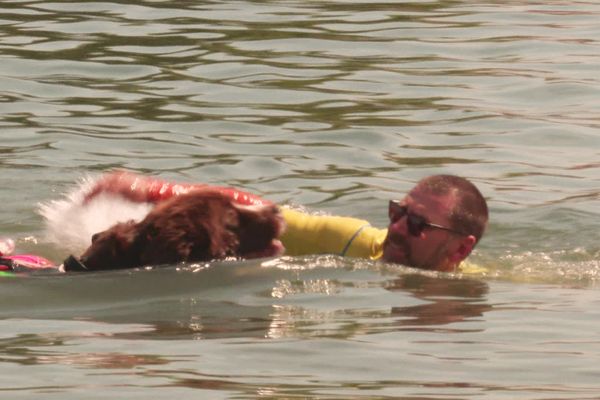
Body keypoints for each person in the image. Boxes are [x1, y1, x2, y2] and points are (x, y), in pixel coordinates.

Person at [84, 171, 488, 272]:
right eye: (397, 213)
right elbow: (255, 207)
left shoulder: (478, 288)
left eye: (417, 224)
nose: (396, 228)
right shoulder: (352, 241)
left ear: (461, 249)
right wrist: (150, 188)